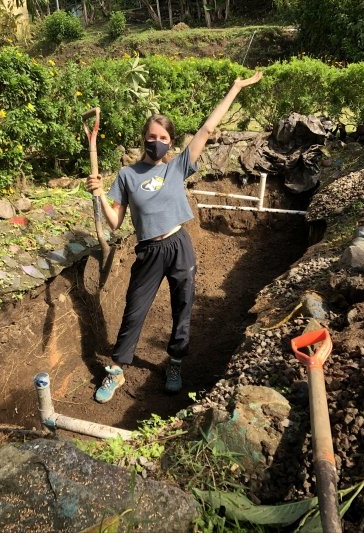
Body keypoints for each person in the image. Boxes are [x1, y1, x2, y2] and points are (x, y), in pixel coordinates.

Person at [87, 70, 263, 403]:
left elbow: (207, 129)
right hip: (149, 252)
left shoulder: (177, 167)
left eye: (165, 138)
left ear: (170, 142)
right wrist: (97, 194)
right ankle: (117, 370)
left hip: (179, 244)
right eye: (153, 136)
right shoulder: (126, 175)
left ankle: (175, 363)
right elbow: (114, 223)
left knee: (183, 305)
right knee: (134, 309)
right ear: (144, 138)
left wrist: (235, 88)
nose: (159, 142)